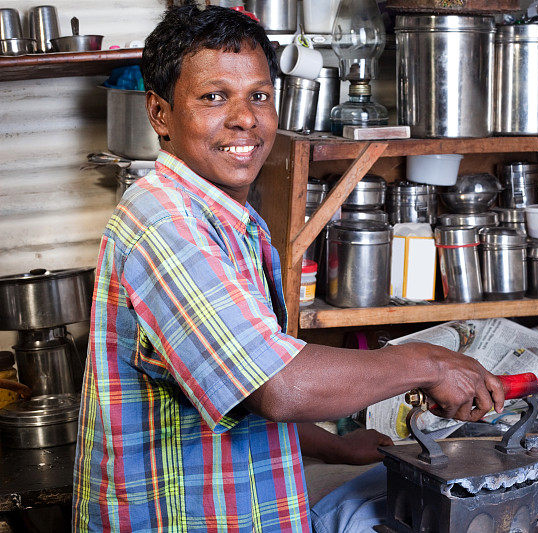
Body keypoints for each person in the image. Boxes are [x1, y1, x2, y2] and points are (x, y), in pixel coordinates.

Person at [72, 5, 505, 532]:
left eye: (258, 95)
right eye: (214, 97)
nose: (245, 118)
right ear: (160, 114)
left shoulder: (234, 222)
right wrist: (428, 364)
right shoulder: (166, 222)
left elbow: (239, 383)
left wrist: (338, 448)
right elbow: (275, 387)